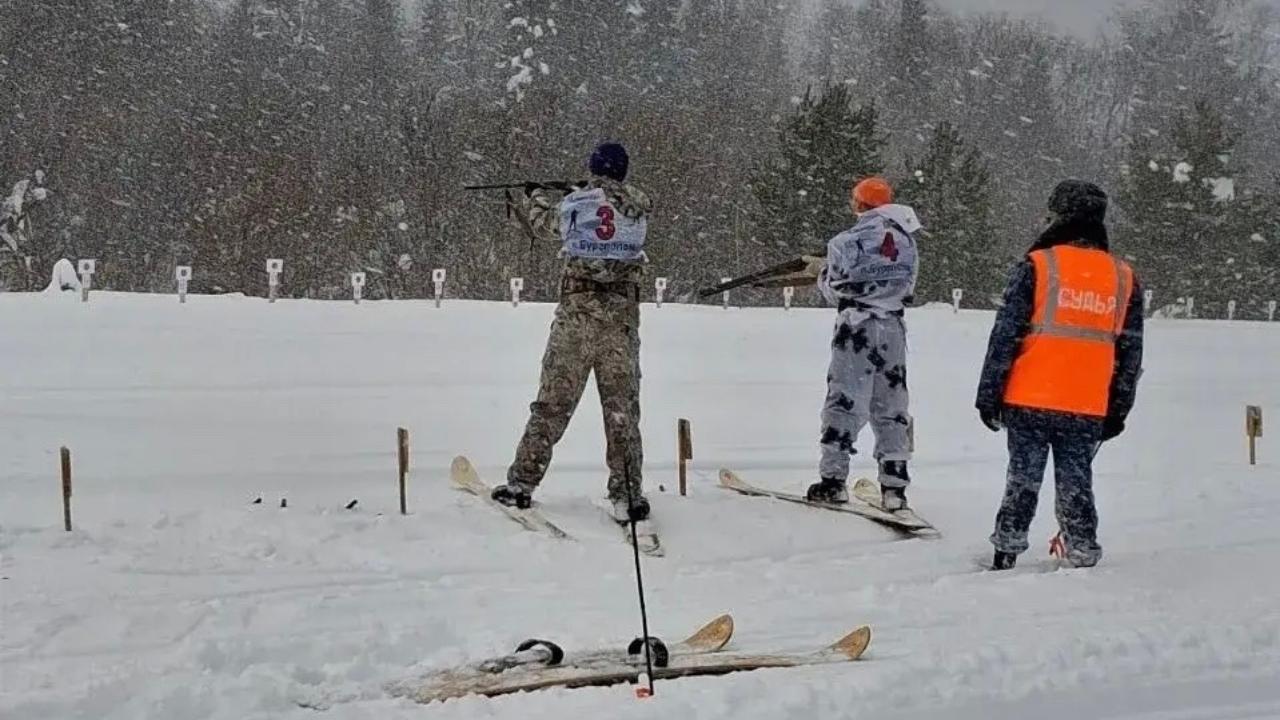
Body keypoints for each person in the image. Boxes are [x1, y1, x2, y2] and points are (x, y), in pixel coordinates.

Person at [975, 179, 1144, 570]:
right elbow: (1129, 352)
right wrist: (1118, 408)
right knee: (1076, 482)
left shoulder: (1038, 265)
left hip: (1029, 396)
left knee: (1022, 478)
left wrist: (989, 394)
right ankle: (1082, 547)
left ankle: (1007, 547)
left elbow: (1005, 335)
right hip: (1087, 404)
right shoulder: (1123, 277)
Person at [489, 142, 654, 522]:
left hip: (577, 317)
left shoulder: (577, 204)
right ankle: (627, 494)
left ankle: (522, 484)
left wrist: (535, 195)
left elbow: (544, 224)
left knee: (552, 403)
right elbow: (611, 218)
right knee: (621, 411)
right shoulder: (639, 208)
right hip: (621, 320)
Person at [807, 177, 922, 512]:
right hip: (892, 329)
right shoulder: (907, 241)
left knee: (844, 399)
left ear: (859, 204)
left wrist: (821, 274)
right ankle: (895, 485)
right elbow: (908, 290)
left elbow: (835, 290)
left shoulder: (845, 241)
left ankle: (833, 480)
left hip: (855, 327)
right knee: (891, 405)